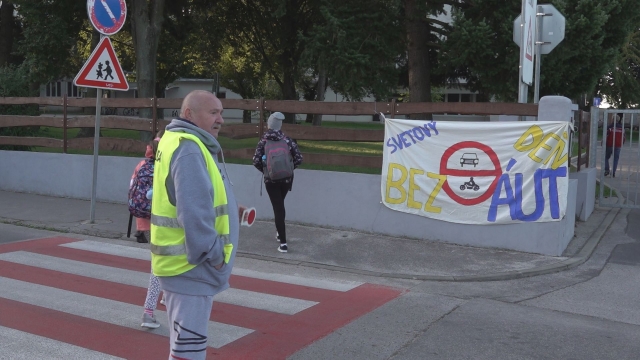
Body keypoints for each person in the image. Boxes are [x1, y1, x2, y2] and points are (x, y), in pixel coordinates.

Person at [150, 90, 245, 359]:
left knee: (183, 349)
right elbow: (192, 212)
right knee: (188, 353)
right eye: (213, 112)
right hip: (190, 268)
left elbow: (185, 197)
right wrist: (214, 255)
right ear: (189, 114)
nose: (221, 120)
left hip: (182, 268)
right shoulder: (189, 148)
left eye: (221, 112)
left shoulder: (176, 140)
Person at [129, 131, 166, 329]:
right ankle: (148, 312)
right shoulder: (166, 168)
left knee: (161, 261)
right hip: (166, 224)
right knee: (158, 267)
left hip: (145, 222)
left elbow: (131, 189)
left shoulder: (141, 165)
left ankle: (166, 297)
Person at [252, 112, 303, 253]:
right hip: (286, 180)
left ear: (269, 125)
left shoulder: (263, 141)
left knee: (278, 208)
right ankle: (279, 233)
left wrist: (267, 172)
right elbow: (299, 158)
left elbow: (255, 161)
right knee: (280, 206)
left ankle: (283, 243)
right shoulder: (287, 140)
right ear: (280, 126)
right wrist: (289, 169)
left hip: (271, 181)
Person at [605, 113, 625, 177]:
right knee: (616, 159)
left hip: (610, 144)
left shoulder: (610, 127)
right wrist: (622, 143)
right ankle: (613, 172)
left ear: (613, 119)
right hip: (618, 145)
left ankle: (607, 170)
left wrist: (604, 142)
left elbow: (606, 135)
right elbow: (624, 137)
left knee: (606, 157)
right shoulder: (621, 128)